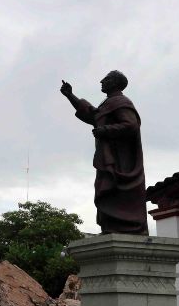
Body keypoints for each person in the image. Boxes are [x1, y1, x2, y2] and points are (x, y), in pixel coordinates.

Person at [60, 71, 149, 235]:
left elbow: (131, 125)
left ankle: (127, 227)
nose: (102, 81)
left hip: (120, 161)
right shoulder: (109, 103)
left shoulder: (121, 102)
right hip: (108, 158)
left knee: (113, 189)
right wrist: (70, 95)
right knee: (106, 188)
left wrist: (105, 130)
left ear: (116, 83)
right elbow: (92, 114)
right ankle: (111, 227)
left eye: (106, 79)